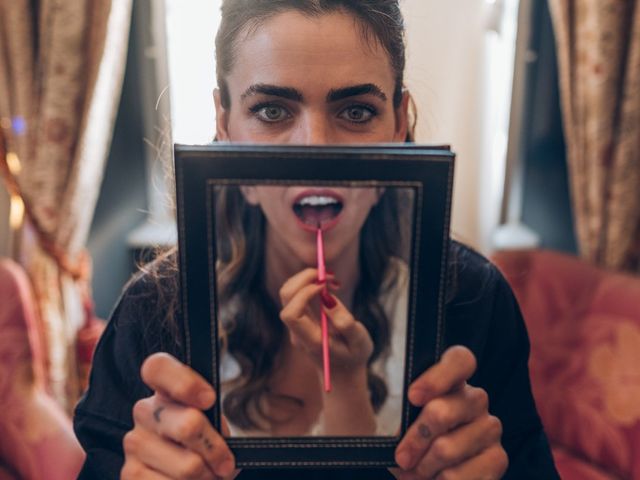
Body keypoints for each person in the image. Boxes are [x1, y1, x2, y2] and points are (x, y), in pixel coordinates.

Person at [73, 1, 561, 479]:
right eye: (270, 110)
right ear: (224, 127)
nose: (315, 149)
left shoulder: (473, 300)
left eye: (355, 111)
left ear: (399, 125)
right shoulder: (152, 311)